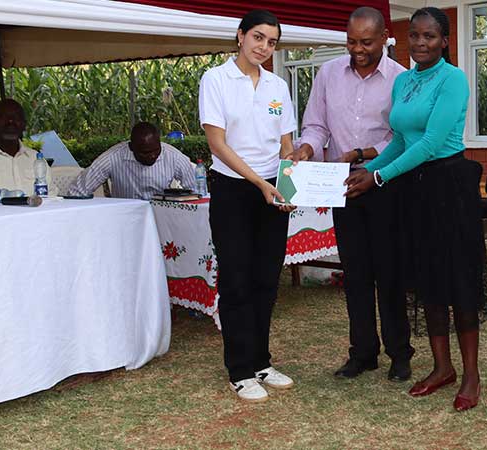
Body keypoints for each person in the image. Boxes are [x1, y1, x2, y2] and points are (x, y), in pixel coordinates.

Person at [345, 7, 486, 412]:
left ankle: (471, 375)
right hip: (415, 189)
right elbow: (401, 141)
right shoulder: (403, 81)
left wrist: (379, 178)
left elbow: (430, 144)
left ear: (444, 41)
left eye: (430, 37)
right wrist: (364, 170)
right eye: (416, 37)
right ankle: (442, 368)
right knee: (427, 281)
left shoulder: (453, 79)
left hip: (448, 185)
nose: (421, 44)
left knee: (458, 281)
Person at [288, 7, 414, 382]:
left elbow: (402, 137)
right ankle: (362, 353)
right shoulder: (329, 73)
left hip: (385, 183)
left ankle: (399, 353)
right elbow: (315, 126)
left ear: (385, 36)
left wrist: (364, 156)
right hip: (341, 184)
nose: (357, 49)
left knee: (389, 273)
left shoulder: (402, 80)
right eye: (351, 41)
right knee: (355, 272)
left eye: (366, 42)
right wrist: (305, 151)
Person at [198, 9, 297, 403]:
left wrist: (286, 185)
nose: (264, 47)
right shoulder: (216, 79)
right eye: (258, 37)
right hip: (234, 189)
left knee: (266, 281)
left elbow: (286, 144)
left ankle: (261, 362)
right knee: (237, 281)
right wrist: (259, 183)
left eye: (271, 42)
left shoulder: (277, 85)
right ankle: (239, 370)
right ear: (240, 36)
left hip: (272, 191)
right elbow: (217, 144)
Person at [67, 122, 196, 200]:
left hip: (162, 218)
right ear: (131, 147)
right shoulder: (112, 158)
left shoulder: (174, 156)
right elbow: (76, 192)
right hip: (124, 220)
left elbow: (197, 191)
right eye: (145, 152)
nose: (152, 156)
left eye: (156, 150)